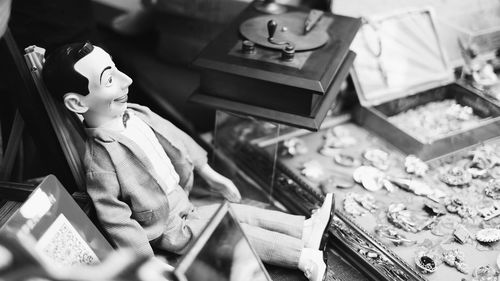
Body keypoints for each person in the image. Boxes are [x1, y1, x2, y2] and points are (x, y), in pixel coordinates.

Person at [41, 42, 334, 281]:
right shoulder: (100, 159)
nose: (126, 80)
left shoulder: (137, 112)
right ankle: (302, 257)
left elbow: (176, 139)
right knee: (233, 232)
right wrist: (146, 262)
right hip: (168, 228)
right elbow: (115, 217)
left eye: (116, 68)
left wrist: (208, 171)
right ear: (78, 104)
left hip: (184, 200)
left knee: (235, 212)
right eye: (109, 79)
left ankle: (305, 230)